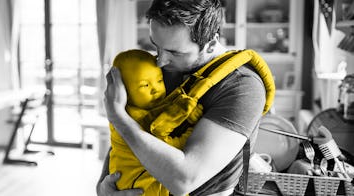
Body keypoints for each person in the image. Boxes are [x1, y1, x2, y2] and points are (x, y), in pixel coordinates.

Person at [98, 0, 274, 195]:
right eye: (156, 45)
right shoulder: (163, 69)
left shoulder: (242, 87)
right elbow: (132, 132)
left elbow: (184, 179)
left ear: (211, 44)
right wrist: (105, 186)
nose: (160, 61)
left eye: (174, 52)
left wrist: (118, 117)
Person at [109, 49, 203, 196]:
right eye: (145, 85)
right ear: (123, 91)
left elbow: (165, 110)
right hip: (138, 188)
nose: (155, 89)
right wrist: (192, 129)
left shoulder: (148, 107)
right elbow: (165, 149)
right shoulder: (133, 117)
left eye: (159, 80)